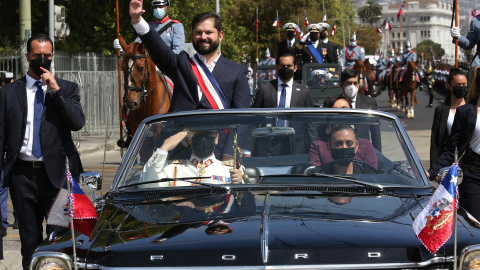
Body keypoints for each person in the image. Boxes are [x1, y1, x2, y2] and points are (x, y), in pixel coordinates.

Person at [0, 33, 85, 269]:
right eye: (38, 56)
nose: (43, 61)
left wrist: (56, 91)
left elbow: (77, 122)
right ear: (28, 56)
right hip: (23, 176)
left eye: (47, 56)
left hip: (57, 178)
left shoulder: (67, 88)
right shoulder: (8, 93)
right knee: (29, 242)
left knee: (59, 241)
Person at [130, 2, 250, 160]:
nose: (203, 37)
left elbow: (242, 119)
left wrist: (229, 154)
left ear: (220, 35)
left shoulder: (237, 71)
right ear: (192, 35)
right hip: (179, 154)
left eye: (209, 32)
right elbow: (158, 48)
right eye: (198, 33)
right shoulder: (182, 65)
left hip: (220, 155)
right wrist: (138, 20)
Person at [427, 66, 480, 221]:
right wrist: (431, 171)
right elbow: (452, 148)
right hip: (473, 176)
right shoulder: (466, 112)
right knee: (476, 224)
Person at [250, 51, 316, 156]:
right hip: (268, 144)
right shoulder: (265, 89)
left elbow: (310, 124)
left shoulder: (304, 92)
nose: (286, 68)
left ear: (295, 68)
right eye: (282, 66)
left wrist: (314, 151)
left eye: (289, 66)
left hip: (294, 145)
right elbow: (253, 120)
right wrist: (247, 149)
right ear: (276, 67)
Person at [140, 131, 244, 186]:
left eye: (208, 134)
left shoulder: (231, 170)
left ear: (216, 138)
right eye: (198, 133)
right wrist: (163, 148)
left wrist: (241, 183)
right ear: (189, 140)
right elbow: (147, 185)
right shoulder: (172, 170)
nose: (203, 138)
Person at [309, 96, 378, 169]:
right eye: (335, 111)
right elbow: (315, 175)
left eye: (344, 110)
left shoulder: (365, 145)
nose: (340, 115)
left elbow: (371, 174)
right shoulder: (318, 146)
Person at [114, 0, 185, 54]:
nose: (157, 9)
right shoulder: (148, 26)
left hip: (167, 69)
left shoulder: (176, 26)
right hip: (149, 69)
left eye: (160, 6)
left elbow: (177, 51)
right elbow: (136, 47)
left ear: (167, 8)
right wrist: (123, 49)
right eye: (155, 7)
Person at [430, 68, 467, 168]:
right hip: (446, 162)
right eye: (458, 85)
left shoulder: (472, 108)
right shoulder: (441, 110)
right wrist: (434, 168)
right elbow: (435, 141)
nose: (461, 87)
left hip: (468, 164)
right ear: (450, 86)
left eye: (464, 85)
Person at [339, 69, 381, 150]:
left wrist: (377, 157)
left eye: (355, 83)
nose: (352, 86)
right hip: (340, 151)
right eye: (349, 83)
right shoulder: (334, 103)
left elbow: (376, 134)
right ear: (342, 85)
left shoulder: (369, 102)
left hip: (363, 152)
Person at [312, 125, 377, 174]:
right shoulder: (321, 175)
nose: (344, 147)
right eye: (338, 144)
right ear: (329, 146)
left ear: (356, 146)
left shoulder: (368, 174)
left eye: (349, 143)